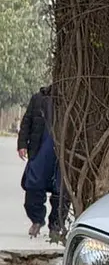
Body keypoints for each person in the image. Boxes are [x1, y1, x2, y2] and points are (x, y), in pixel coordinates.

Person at [17, 85, 66, 242]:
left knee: (61, 190)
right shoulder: (39, 98)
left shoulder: (72, 98)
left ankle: (56, 226)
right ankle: (36, 221)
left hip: (63, 155)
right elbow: (27, 121)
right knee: (33, 186)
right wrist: (22, 144)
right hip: (40, 151)